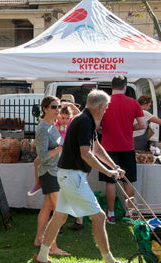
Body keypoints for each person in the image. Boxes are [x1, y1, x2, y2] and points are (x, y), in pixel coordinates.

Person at [34, 89, 125, 263]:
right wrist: (108, 172)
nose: (106, 110)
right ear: (99, 106)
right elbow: (86, 153)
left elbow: (96, 148)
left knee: (59, 216)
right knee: (99, 217)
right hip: (72, 176)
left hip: (69, 176)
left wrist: (114, 166)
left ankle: (42, 256)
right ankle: (109, 260)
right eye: (105, 107)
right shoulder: (84, 121)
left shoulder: (86, 120)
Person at [99, 75, 146, 224]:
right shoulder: (133, 103)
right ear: (125, 87)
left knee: (110, 182)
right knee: (128, 181)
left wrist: (104, 129)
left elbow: (96, 125)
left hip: (108, 149)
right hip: (127, 147)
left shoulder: (103, 103)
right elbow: (143, 125)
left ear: (111, 87)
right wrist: (129, 127)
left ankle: (111, 214)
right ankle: (129, 213)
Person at [33, 96, 70, 257]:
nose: (57, 110)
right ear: (45, 109)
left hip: (55, 171)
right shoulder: (42, 129)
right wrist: (61, 148)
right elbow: (42, 157)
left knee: (47, 208)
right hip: (49, 173)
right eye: (54, 107)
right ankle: (52, 247)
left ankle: (38, 239)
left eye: (59, 107)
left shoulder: (51, 125)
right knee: (61, 213)